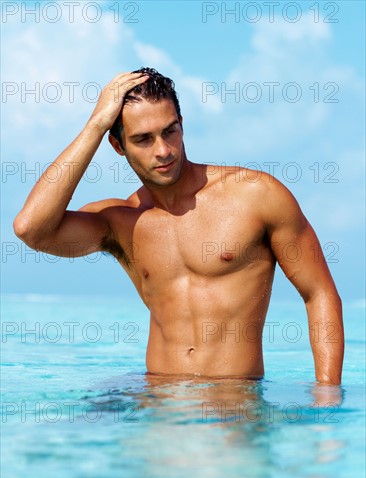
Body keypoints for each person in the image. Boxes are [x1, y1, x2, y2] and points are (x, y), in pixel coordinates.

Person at [13, 68, 344, 384]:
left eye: (169, 131)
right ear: (118, 146)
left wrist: (327, 394)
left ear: (182, 125)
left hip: (231, 403)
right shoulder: (120, 221)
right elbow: (31, 229)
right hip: (156, 400)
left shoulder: (256, 195)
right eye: (143, 139)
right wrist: (96, 125)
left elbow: (319, 294)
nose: (163, 151)